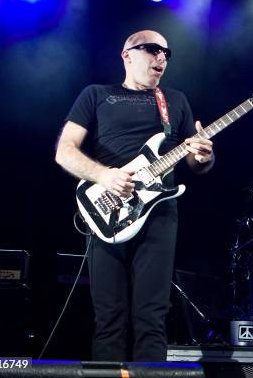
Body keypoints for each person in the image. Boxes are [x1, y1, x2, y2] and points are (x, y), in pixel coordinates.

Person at [55, 30, 214, 361]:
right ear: (126, 54)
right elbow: (65, 151)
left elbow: (195, 163)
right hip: (107, 211)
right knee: (109, 319)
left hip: (158, 215)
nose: (161, 58)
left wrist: (203, 157)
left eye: (166, 53)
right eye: (153, 50)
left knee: (152, 317)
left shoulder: (175, 101)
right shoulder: (96, 95)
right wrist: (103, 175)